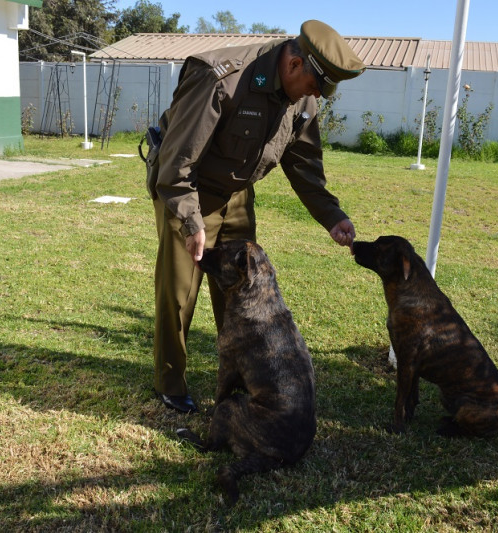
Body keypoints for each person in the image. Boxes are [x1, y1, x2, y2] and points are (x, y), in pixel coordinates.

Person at [149, 20, 366, 413]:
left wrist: (331, 215)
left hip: (236, 194)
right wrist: (191, 222)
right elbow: (176, 162)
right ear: (295, 65)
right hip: (188, 191)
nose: (315, 97)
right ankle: (169, 381)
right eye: (316, 86)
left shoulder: (303, 99)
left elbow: (303, 163)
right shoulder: (222, 78)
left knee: (242, 293)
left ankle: (238, 378)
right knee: (180, 291)